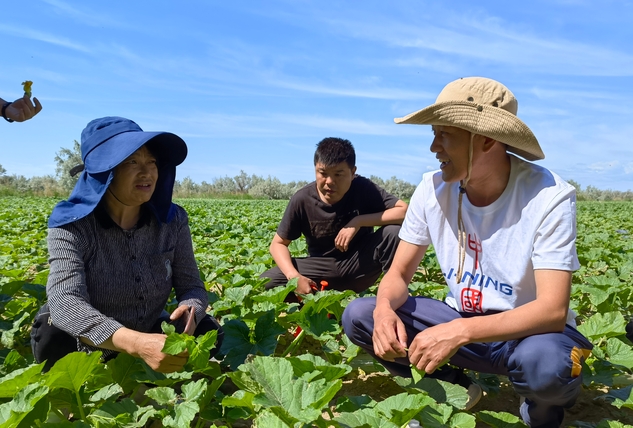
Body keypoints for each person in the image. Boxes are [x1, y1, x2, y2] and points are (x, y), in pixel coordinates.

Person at [342, 77, 593, 428]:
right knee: (360, 315)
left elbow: (552, 310)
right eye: (433, 134)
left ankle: (540, 411)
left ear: (487, 138)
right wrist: (384, 311)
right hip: (460, 320)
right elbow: (398, 275)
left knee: (545, 366)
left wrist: (461, 333)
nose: (434, 147)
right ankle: (453, 390)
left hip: (528, 334)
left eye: (444, 134)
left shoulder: (548, 196)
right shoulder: (431, 189)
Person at [30, 116, 223, 373]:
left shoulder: (173, 220)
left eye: (152, 161)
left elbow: (192, 286)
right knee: (52, 334)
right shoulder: (72, 226)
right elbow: (66, 302)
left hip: (148, 330)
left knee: (210, 331)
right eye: (132, 161)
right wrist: (136, 343)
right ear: (104, 172)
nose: (147, 172)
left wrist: (192, 308)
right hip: (90, 343)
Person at [260, 137, 408, 297]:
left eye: (338, 174)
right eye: (322, 173)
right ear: (315, 169)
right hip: (321, 267)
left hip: (359, 263)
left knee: (394, 232)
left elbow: (404, 211)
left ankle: (393, 296)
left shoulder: (363, 188)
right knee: (267, 281)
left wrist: (358, 221)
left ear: (352, 172)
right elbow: (278, 244)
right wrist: (294, 277)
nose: (329, 182)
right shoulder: (302, 199)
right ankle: (307, 304)